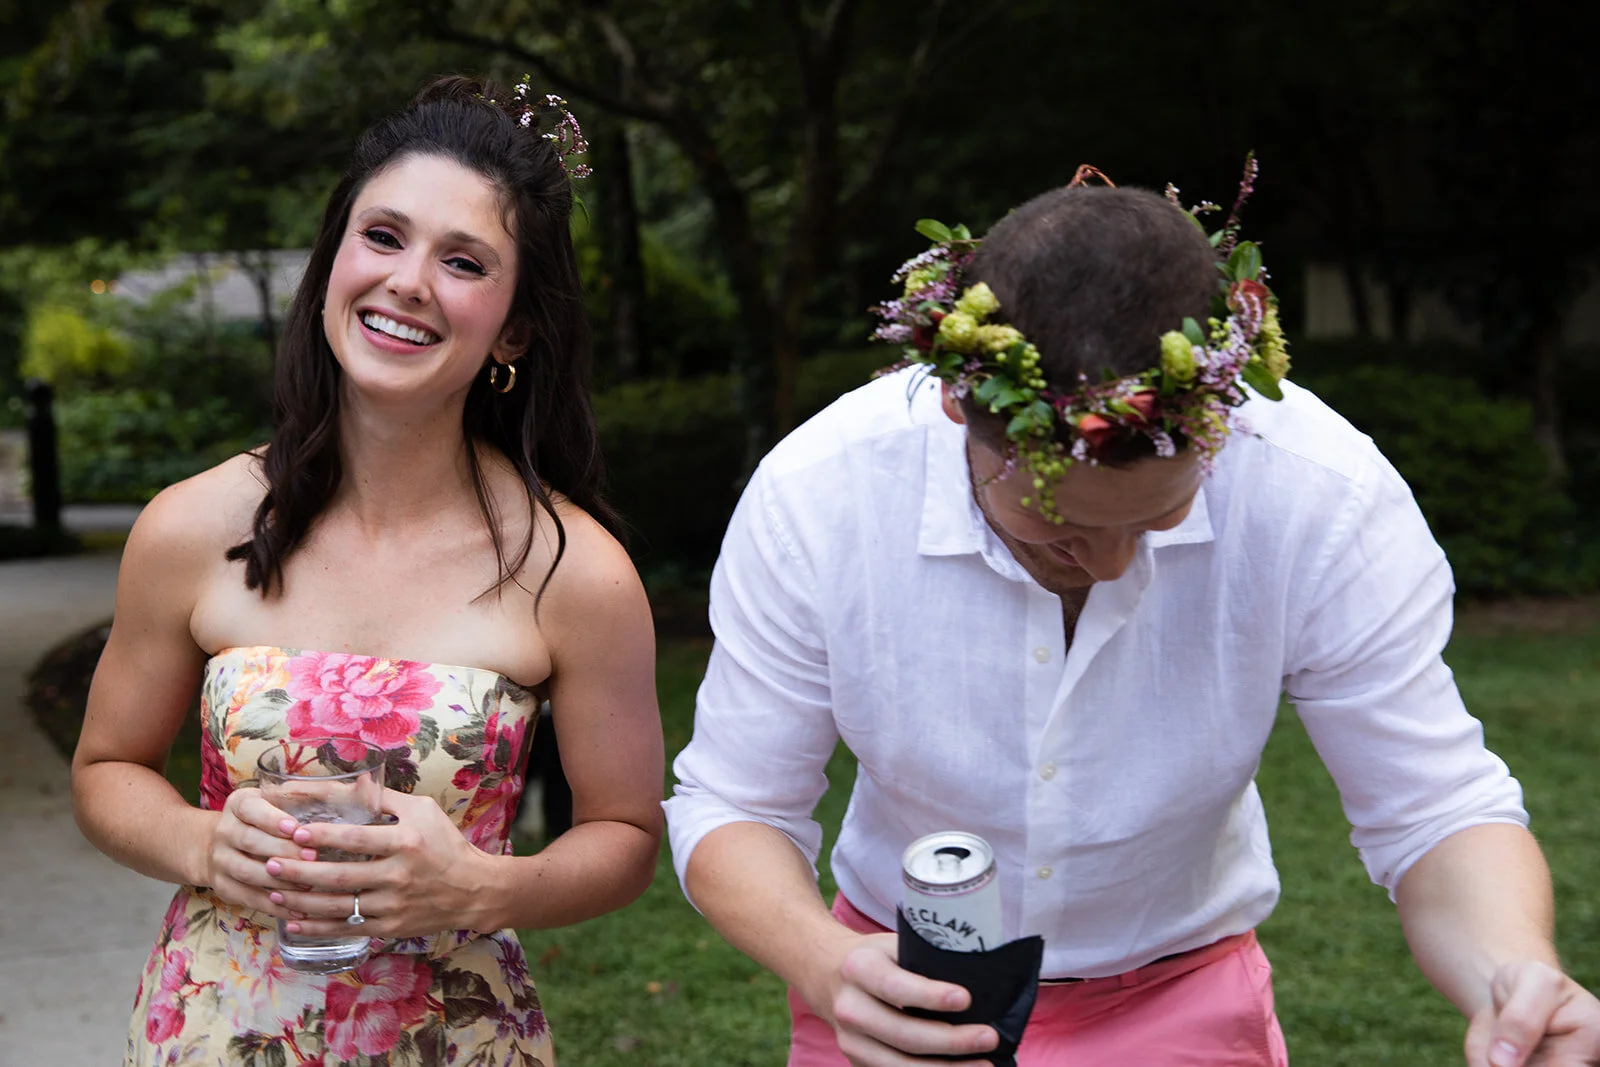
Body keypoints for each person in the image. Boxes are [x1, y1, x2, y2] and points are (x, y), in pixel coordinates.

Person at [664, 173, 1600, 1066]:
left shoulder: (1324, 495)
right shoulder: (819, 496)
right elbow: (737, 802)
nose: (1111, 563)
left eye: (1158, 519)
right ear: (957, 402)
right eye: (1059, 523)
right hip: (895, 984)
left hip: (1181, 997)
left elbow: (1432, 805)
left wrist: (1512, 971)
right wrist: (825, 966)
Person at [71, 75, 663, 1066]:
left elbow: (626, 834)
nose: (409, 281)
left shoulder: (574, 569)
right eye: (382, 236)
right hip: (217, 1030)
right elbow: (105, 770)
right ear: (334, 258)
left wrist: (479, 885)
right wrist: (204, 843)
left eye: (464, 260)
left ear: (514, 327)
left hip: (456, 1035)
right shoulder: (191, 524)